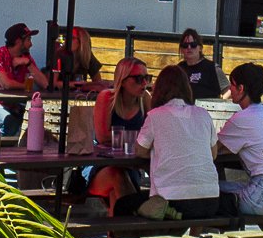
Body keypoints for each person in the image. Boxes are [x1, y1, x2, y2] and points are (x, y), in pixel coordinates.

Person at [125, 66, 225, 220]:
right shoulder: (203, 114)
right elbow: (213, 154)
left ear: (159, 89)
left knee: (122, 205)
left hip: (173, 201)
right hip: (211, 200)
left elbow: (140, 151)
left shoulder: (155, 116)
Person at [216, 63, 263, 217]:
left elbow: (213, 150)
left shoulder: (243, 118)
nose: (230, 89)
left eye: (232, 85)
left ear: (241, 88)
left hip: (260, 197)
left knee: (208, 193)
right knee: (222, 187)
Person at [88, 55, 153, 213]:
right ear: (123, 80)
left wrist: (120, 138)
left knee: (117, 188)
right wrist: (137, 139)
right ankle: (131, 223)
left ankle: (118, 231)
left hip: (131, 166)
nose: (144, 83)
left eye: (147, 78)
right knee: (118, 176)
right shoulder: (107, 98)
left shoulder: (145, 99)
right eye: (138, 79)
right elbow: (103, 137)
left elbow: (153, 135)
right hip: (101, 165)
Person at [0, 22, 48, 134]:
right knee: (10, 122)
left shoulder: (26, 58)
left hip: (13, 105)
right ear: (18, 41)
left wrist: (28, 63)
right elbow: (6, 84)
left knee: (37, 119)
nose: (31, 44)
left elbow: (45, 84)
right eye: (28, 40)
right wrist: (26, 86)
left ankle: (17, 147)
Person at [175, 28, 227, 100]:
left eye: (193, 45)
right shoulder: (178, 69)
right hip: (184, 110)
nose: (189, 48)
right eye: (185, 45)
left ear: (200, 48)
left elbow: (227, 90)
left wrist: (217, 105)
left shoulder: (212, 68)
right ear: (181, 49)